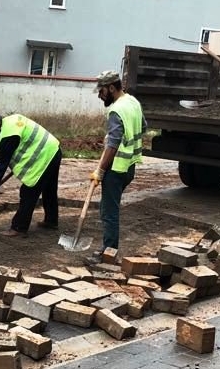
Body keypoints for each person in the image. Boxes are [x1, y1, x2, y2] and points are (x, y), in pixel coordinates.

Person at [90, 70, 147, 256]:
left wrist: (100, 170)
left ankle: (109, 252)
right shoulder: (133, 102)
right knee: (108, 208)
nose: (100, 95)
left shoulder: (116, 110)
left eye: (102, 91)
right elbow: (143, 126)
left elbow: (113, 146)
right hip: (130, 167)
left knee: (109, 212)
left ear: (112, 88)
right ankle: (109, 248)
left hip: (116, 169)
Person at [0, 112, 62, 237]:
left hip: (44, 156)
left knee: (28, 192)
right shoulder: (10, 121)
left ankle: (18, 227)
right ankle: (51, 221)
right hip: (53, 150)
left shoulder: (8, 135)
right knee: (49, 189)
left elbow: (2, 165)